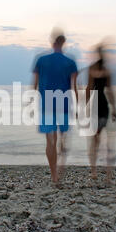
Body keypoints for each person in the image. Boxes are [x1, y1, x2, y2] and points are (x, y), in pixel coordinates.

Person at [32, 29, 78, 187]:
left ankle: (54, 176)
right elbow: (74, 87)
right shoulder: (70, 62)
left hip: (47, 102)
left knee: (50, 140)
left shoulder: (41, 60)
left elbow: (35, 85)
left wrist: (33, 102)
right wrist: (77, 106)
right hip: (64, 102)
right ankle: (60, 167)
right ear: (63, 43)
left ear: (53, 43)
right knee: (62, 137)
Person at [86, 43, 116, 185]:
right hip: (100, 105)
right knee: (99, 139)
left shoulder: (95, 69)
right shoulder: (103, 70)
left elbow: (91, 88)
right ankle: (98, 172)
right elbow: (106, 90)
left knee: (97, 140)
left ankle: (96, 172)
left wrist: (114, 108)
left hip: (99, 105)